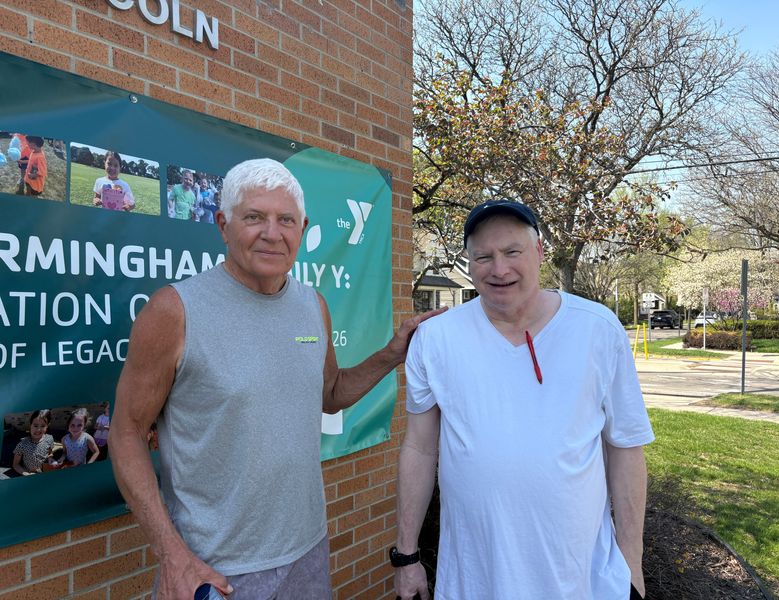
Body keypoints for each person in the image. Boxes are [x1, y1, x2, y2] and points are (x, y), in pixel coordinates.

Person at [110, 157, 443, 600]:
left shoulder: (313, 305)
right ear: (223, 225)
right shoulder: (174, 311)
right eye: (254, 217)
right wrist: (172, 555)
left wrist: (391, 355)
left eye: (286, 220)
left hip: (308, 554)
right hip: (215, 571)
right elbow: (126, 433)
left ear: (302, 229)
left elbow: (330, 393)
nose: (272, 233)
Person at [393, 200, 654, 600]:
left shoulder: (597, 329)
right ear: (469, 263)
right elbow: (420, 449)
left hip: (581, 581)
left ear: (539, 251)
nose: (499, 269)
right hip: (473, 580)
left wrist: (631, 563)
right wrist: (407, 556)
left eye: (512, 251)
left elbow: (626, 448)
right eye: (484, 257)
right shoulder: (436, 338)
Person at [12, 409, 55, 476]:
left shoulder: (49, 438)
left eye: (43, 426)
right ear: (30, 424)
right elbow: (15, 465)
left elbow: (50, 452)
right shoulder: (22, 444)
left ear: (47, 426)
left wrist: (50, 458)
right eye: (35, 425)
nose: (38, 429)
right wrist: (26, 473)